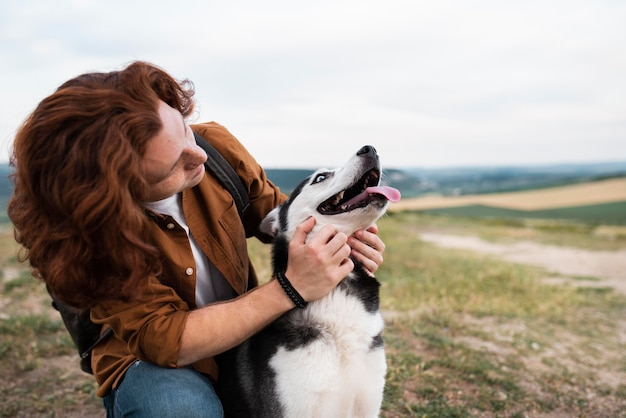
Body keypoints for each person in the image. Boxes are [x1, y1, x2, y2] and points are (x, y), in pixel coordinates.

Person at [7, 61, 386, 417]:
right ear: (118, 190)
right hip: (158, 364)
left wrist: (341, 234)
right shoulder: (89, 234)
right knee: (178, 408)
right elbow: (166, 339)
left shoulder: (214, 149)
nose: (198, 157)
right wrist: (290, 288)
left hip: (245, 337)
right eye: (176, 164)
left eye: (185, 130)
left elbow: (280, 216)